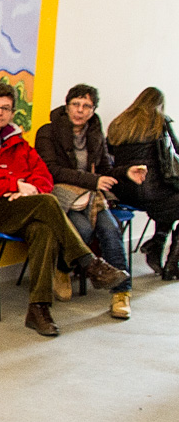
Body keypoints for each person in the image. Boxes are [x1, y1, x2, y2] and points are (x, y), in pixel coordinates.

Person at [0, 82, 129, 336]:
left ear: (12, 112)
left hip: (25, 205)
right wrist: (13, 184)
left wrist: (28, 189)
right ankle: (89, 264)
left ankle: (38, 309)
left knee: (44, 228)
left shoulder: (16, 142)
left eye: (6, 108)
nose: (0, 113)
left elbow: (43, 175)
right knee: (48, 202)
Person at [34, 84, 145, 318]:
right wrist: (93, 180)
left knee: (110, 229)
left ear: (93, 111)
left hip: (92, 198)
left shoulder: (95, 133)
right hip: (63, 197)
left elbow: (106, 169)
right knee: (82, 229)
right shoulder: (48, 131)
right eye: (76, 104)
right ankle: (63, 268)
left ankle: (121, 293)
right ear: (67, 106)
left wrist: (125, 172)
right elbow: (51, 170)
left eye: (86, 106)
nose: (80, 110)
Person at [106, 87, 179, 280]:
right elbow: (175, 150)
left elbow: (109, 154)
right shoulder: (159, 122)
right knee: (173, 199)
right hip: (152, 193)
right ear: (159, 104)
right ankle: (173, 262)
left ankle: (157, 244)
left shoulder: (118, 123)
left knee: (172, 203)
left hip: (122, 191)